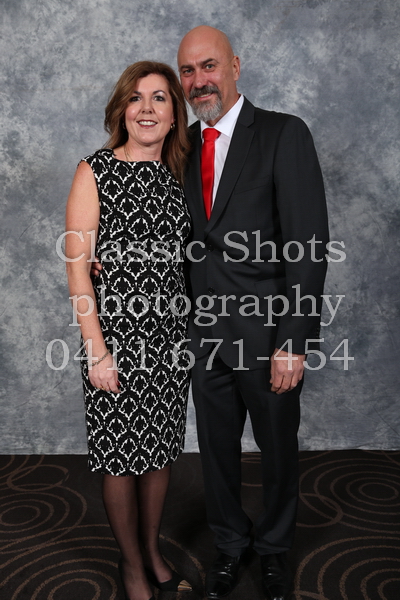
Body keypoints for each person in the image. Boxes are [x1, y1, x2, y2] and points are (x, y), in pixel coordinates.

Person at [177, 26, 330, 600]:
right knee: (216, 451)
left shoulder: (283, 133)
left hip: (269, 335)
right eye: (188, 71)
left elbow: (308, 244)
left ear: (235, 66)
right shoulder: (180, 146)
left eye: (209, 66)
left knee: (277, 449)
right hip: (204, 335)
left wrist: (295, 340)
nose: (199, 81)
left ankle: (273, 549)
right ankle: (229, 544)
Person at [65, 61, 192, 600]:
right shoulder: (95, 170)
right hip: (114, 338)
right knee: (120, 457)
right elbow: (77, 268)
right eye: (136, 97)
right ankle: (132, 566)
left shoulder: (182, 175)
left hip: (171, 339)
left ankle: (153, 550)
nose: (146, 108)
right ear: (122, 109)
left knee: (159, 452)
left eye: (160, 98)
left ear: (174, 115)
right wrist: (96, 350)